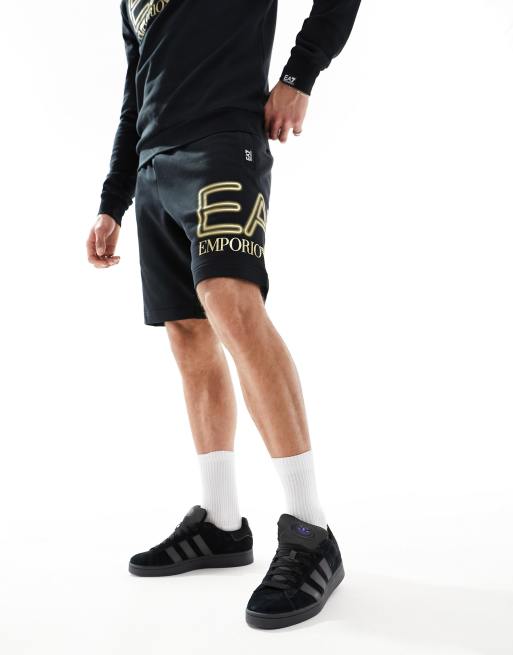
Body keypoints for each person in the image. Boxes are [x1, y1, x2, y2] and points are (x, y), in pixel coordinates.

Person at [87, 0, 361, 629]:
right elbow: (135, 94)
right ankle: (221, 522)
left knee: (230, 301)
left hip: (221, 142)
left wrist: (299, 75)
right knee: (188, 333)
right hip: (155, 165)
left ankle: (311, 529)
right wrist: (112, 201)